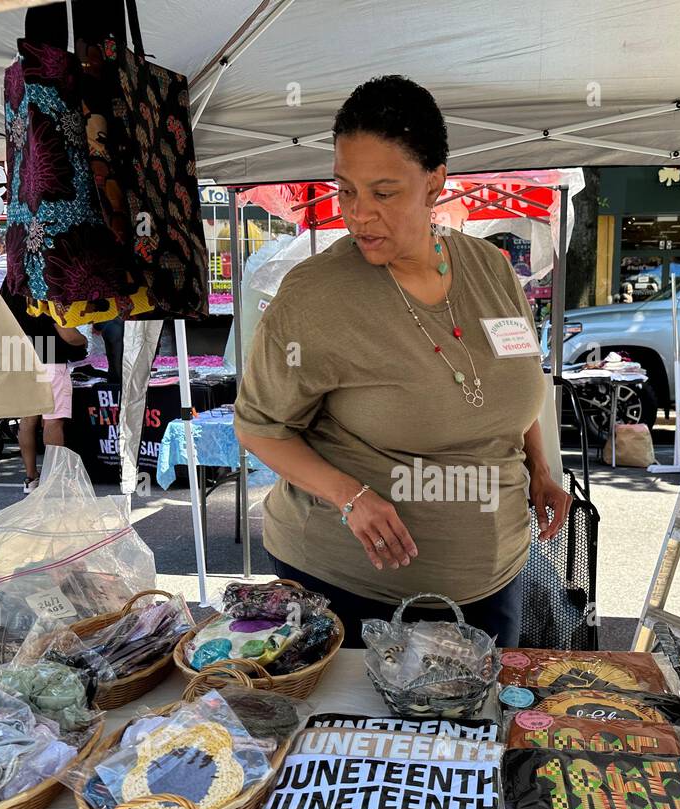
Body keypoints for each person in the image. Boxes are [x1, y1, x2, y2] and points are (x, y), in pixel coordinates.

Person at [233, 74, 571, 648]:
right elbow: (260, 429)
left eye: (383, 193)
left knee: (484, 729)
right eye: (346, 190)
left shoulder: (490, 268)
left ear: (435, 183)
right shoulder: (315, 295)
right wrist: (351, 496)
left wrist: (540, 467)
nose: (359, 215)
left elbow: (516, 381)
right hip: (352, 588)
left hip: (497, 577)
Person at [0, 279, 88, 491]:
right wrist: (83, 340)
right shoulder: (45, 285)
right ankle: (54, 479)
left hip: (22, 358)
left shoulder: (10, 285)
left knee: (28, 421)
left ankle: (31, 478)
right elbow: (68, 334)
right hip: (50, 357)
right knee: (53, 421)